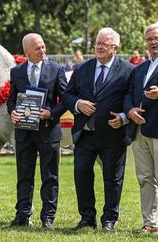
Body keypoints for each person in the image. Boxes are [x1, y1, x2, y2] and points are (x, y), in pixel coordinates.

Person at [62, 27, 134, 232]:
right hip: (85, 134)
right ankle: (87, 218)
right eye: (97, 43)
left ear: (115, 48)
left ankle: (109, 219)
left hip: (113, 135)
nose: (99, 47)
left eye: (104, 43)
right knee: (81, 175)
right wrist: (77, 104)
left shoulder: (128, 70)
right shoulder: (82, 68)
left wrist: (123, 117)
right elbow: (68, 95)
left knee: (113, 178)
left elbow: (132, 97)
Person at [7, 33, 67, 229]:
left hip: (48, 131)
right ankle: (22, 215)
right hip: (24, 131)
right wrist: (13, 112)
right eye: (37, 48)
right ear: (27, 52)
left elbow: (66, 99)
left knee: (50, 176)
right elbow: (11, 99)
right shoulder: (16, 72)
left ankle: (48, 217)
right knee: (24, 175)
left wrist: (50, 113)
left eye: (43, 46)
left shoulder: (56, 69)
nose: (42, 50)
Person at [124, 22, 158, 233]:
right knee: (145, 178)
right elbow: (128, 94)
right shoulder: (141, 68)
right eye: (150, 39)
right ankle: (151, 223)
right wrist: (129, 112)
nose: (153, 42)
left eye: (156, 38)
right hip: (140, 130)